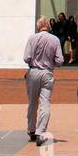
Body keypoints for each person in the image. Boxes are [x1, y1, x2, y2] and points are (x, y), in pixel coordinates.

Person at [23, 16, 64, 145]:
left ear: (38, 26)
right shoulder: (55, 39)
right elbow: (60, 60)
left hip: (33, 71)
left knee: (32, 103)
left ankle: (31, 129)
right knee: (45, 103)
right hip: (47, 72)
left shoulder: (32, 38)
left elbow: (26, 58)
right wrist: (51, 63)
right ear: (49, 26)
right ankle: (40, 132)